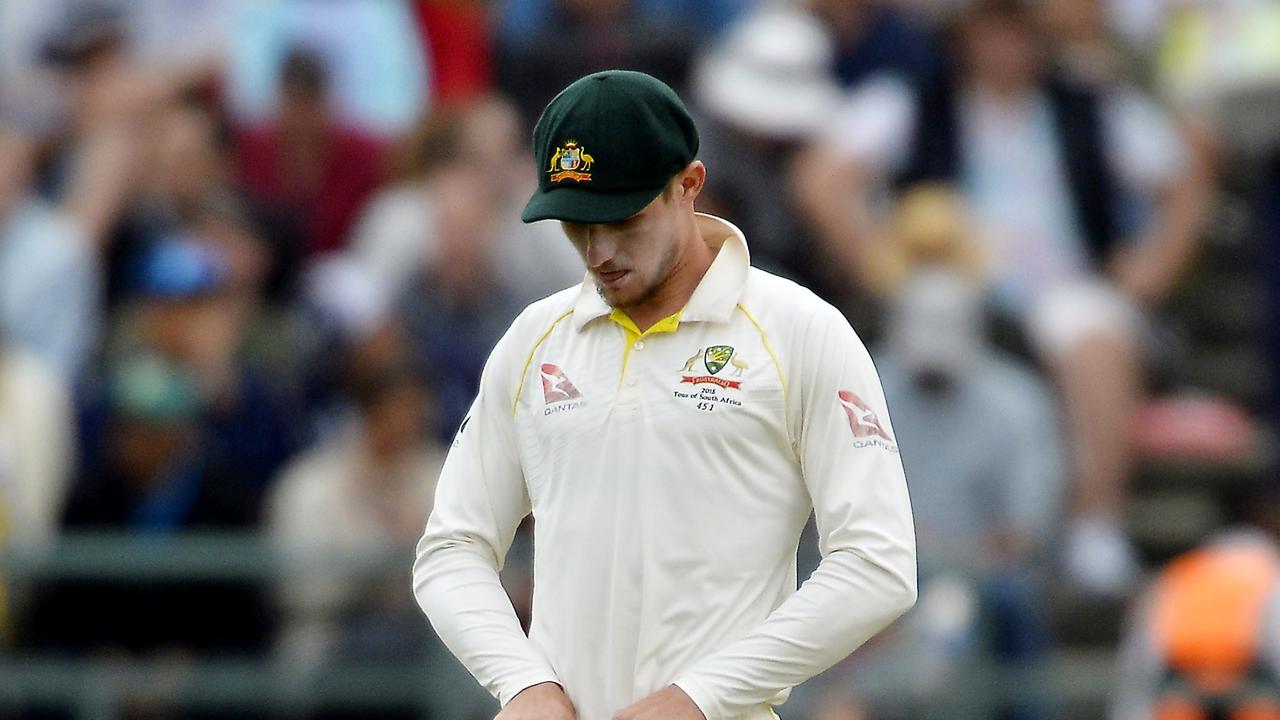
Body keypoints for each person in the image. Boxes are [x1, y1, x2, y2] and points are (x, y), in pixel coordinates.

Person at [412, 70, 917, 720]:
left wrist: (700, 699)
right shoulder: (535, 339)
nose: (598, 251)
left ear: (689, 185)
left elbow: (879, 565)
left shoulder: (801, 330)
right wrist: (522, 684)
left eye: (622, 218)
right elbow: (451, 548)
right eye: (575, 223)